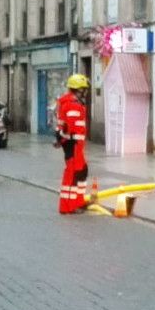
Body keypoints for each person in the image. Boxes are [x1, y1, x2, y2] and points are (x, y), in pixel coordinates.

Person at [56, 74, 91, 214]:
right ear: (78, 89)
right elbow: (70, 127)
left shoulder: (73, 103)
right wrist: (68, 140)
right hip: (73, 144)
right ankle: (67, 206)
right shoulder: (72, 105)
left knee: (82, 171)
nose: (85, 92)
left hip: (76, 144)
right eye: (84, 89)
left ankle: (78, 201)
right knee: (72, 174)